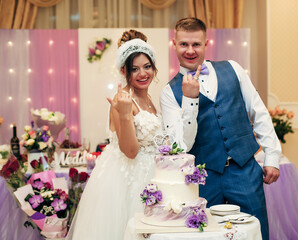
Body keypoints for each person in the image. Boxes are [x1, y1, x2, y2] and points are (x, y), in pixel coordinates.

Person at [160, 17, 281, 240]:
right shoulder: (169, 93)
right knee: (207, 236)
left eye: (196, 44)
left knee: (256, 232)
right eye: (183, 44)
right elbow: (181, 146)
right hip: (203, 179)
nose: (190, 50)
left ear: (206, 44)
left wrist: (272, 156)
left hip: (244, 170)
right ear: (174, 44)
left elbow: (259, 111)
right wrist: (189, 100)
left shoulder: (233, 69)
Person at [67, 30, 163, 240]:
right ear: (123, 70)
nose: (143, 73)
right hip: (129, 181)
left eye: (147, 67)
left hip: (152, 176)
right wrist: (126, 113)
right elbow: (130, 151)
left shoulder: (149, 99)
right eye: (134, 69)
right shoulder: (122, 99)